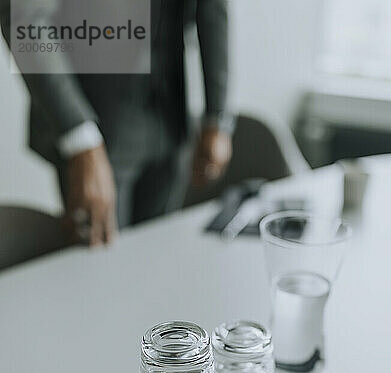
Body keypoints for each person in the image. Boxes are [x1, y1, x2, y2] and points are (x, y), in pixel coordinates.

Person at [0, 0, 233, 245]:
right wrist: (81, 140)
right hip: (96, 122)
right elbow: (24, 17)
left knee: (159, 259)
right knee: (102, 266)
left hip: (172, 112)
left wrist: (217, 116)